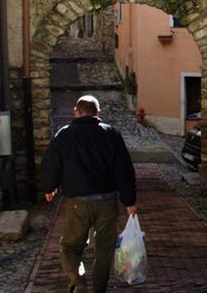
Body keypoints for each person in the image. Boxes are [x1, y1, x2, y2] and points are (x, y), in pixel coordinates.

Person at [42, 95, 138, 293]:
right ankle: (99, 289)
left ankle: (78, 281)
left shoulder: (64, 135)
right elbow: (124, 170)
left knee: (71, 246)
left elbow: (52, 164)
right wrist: (129, 201)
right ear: (98, 113)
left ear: (75, 112)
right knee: (104, 250)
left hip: (77, 201)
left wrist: (49, 188)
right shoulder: (111, 134)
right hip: (107, 201)